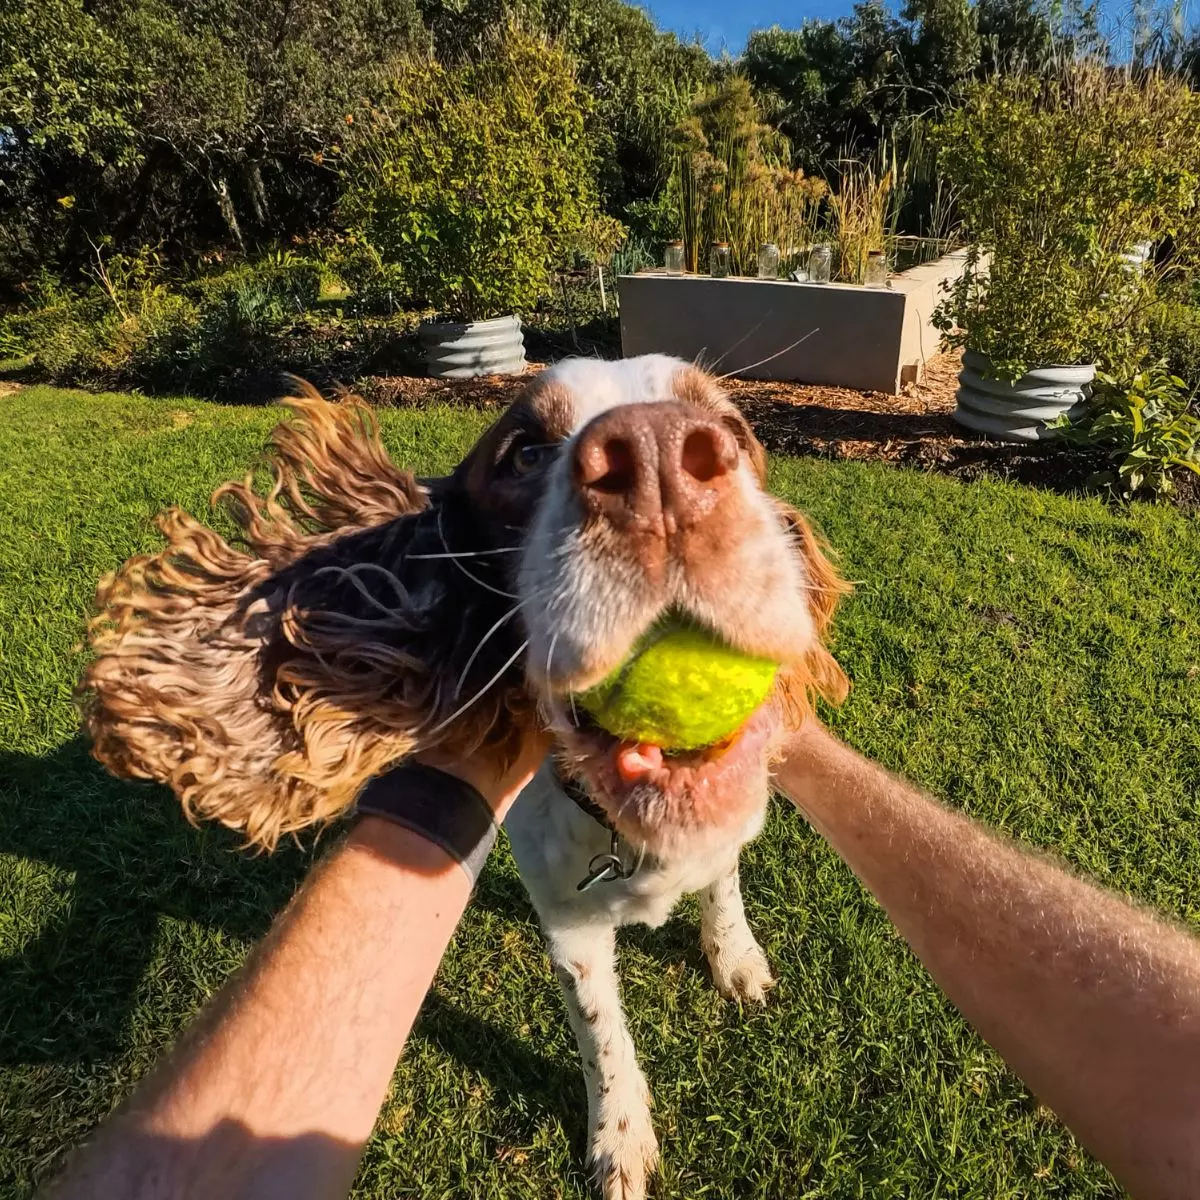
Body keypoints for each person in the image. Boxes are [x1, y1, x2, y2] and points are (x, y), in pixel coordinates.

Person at [45, 721, 1200, 1200]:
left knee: (721, 837)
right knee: (576, 920)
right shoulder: (535, 766)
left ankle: (720, 921)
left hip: (696, 812)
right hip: (555, 819)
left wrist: (738, 864)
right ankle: (615, 1089)